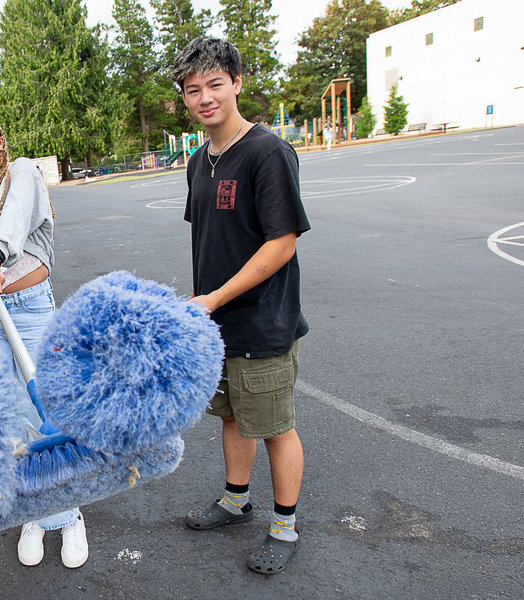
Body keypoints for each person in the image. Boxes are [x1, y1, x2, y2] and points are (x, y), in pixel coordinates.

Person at [170, 37, 310, 575]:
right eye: (192, 89)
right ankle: (235, 500)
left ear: (237, 83)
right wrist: (202, 303)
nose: (205, 97)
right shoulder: (198, 160)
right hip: (216, 324)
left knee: (274, 425)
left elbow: (281, 243)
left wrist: (216, 298)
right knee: (230, 415)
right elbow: (213, 240)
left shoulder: (268, 151)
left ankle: (285, 524)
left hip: (262, 322)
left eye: (215, 84)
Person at [0, 100, 89, 569]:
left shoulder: (22, 175)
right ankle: (34, 509)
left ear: (1, 141)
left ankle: (68, 514)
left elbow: (12, 227)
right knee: (9, 415)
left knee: (48, 406)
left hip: (29, 311)